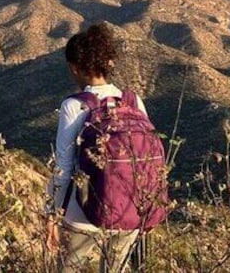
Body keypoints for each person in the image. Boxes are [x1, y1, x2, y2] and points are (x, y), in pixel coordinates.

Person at [45, 24, 150, 273]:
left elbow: (64, 165)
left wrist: (51, 212)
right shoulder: (133, 101)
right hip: (128, 211)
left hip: (83, 213)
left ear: (74, 67)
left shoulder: (74, 105)